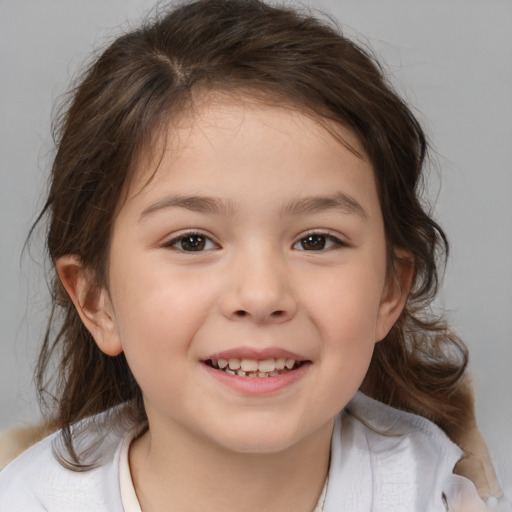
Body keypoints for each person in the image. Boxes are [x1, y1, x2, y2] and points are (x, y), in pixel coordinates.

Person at [0, 0, 507, 510]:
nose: (262, 295)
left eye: (316, 240)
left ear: (389, 290)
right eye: (192, 241)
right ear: (95, 299)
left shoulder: (437, 496)